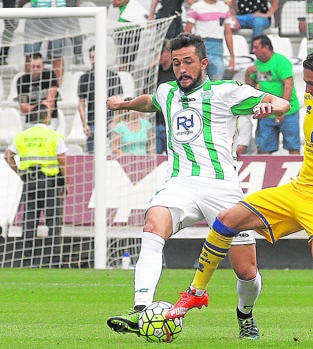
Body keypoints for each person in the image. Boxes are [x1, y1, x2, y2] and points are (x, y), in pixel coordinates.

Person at [164, 47, 313, 347]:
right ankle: (196, 292)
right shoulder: (311, 98)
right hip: (298, 190)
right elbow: (283, 105)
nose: (306, 89)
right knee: (226, 220)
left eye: (311, 83)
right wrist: (268, 108)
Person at [105, 33, 289, 340]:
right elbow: (150, 102)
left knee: (246, 271)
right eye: (177, 63)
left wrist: (272, 108)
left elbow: (281, 102)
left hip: (223, 188)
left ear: (203, 63)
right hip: (180, 184)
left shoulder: (226, 91)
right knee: (152, 227)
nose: (182, 69)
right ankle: (140, 310)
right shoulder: (167, 91)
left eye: (188, 62)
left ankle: (245, 315)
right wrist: (123, 104)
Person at [4, 105, 67, 267]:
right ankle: (53, 261)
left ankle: (27, 259)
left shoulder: (22, 136)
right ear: (46, 117)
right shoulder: (53, 136)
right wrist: (65, 180)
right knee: (53, 222)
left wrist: (19, 172)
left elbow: (8, 156)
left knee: (29, 221)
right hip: (49, 182)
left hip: (29, 181)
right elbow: (62, 159)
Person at [245, 34, 300, 154]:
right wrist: (248, 74)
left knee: (293, 147)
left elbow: (288, 84)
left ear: (265, 47)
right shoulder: (257, 65)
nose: (253, 51)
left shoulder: (281, 61)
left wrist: (281, 109)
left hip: (288, 112)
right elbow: (250, 88)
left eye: (256, 47)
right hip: (266, 112)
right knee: (264, 149)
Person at [77, 45, 124, 154]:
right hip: (93, 122)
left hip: (111, 122)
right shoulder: (84, 78)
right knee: (93, 157)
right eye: (91, 57)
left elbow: (120, 101)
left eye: (95, 57)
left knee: (113, 157)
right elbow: (81, 104)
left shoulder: (114, 77)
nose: (93, 60)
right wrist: (85, 125)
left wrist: (115, 122)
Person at [185, 0, 235, 80]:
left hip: (217, 51)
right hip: (200, 50)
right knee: (197, 81)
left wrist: (232, 56)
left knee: (216, 82)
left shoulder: (225, 8)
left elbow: (228, 33)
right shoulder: (196, 7)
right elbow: (187, 32)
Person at [23, 0, 69, 86]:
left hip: (58, 10)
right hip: (35, 9)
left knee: (57, 54)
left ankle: (56, 90)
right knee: (30, 54)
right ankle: (30, 88)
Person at [17, 53, 60, 131]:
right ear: (28, 66)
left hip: (50, 118)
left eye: (38, 67)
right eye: (33, 67)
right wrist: (39, 105)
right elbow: (23, 108)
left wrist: (46, 121)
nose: (35, 69)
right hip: (31, 121)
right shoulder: (22, 81)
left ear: (43, 66)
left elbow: (50, 103)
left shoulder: (49, 75)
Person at [113, 0, 148, 72]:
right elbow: (115, 3)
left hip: (136, 30)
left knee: (130, 60)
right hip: (124, 31)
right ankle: (122, 79)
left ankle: (126, 78)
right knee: (124, 60)